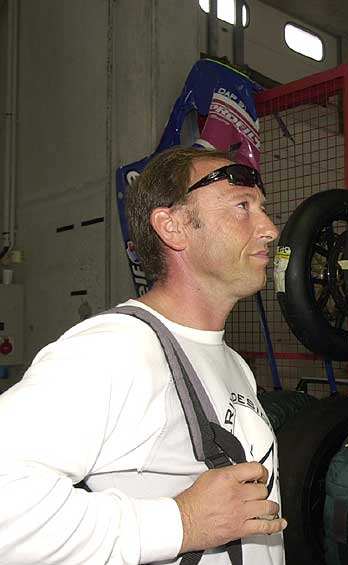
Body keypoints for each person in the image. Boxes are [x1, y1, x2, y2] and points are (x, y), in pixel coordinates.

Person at [0, 147, 287, 564]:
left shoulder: (234, 364)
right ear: (173, 227)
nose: (270, 230)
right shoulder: (116, 348)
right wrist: (182, 522)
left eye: (262, 209)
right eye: (242, 206)